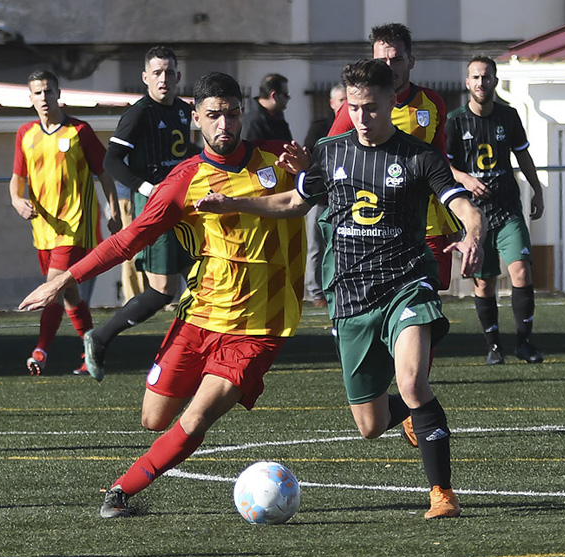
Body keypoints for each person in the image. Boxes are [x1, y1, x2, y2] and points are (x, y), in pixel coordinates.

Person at [197, 59, 484, 520]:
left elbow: (461, 203)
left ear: (392, 100)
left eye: (371, 108)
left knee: (412, 381)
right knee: (370, 425)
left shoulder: (419, 156)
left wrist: (473, 233)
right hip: (350, 298)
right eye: (353, 108)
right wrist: (234, 202)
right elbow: (293, 201)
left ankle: (442, 493)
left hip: (406, 286)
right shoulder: (329, 152)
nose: (362, 118)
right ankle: (412, 415)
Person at [19, 72, 305, 519]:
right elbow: (127, 240)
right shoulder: (184, 181)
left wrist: (309, 171)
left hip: (259, 326)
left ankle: (120, 491)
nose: (223, 124)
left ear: (242, 111)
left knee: (196, 417)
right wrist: (63, 279)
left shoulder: (278, 160)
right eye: (213, 116)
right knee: (153, 419)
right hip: (200, 315)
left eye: (231, 113)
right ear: (196, 119)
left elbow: (318, 192)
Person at [326, 22, 461, 446]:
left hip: (425, 230)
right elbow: (334, 161)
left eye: (395, 58)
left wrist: (461, 198)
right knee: (370, 420)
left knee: (420, 317)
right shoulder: (356, 111)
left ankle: (414, 397)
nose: (389, 64)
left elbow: (436, 159)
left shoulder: (431, 103)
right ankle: (405, 401)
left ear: (410, 60)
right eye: (382, 58)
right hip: (365, 243)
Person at [86, 46, 197, 382]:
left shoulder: (182, 110)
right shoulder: (138, 113)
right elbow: (111, 162)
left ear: (178, 77)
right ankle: (100, 338)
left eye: (169, 72)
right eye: (157, 72)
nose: (164, 78)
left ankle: (194, 356)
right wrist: (148, 189)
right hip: (156, 212)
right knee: (163, 291)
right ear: (145, 77)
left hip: (187, 209)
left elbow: (182, 152)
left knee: (204, 279)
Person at [10, 69, 119, 376]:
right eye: (38, 93)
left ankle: (40, 351)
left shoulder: (79, 131)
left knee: (53, 288)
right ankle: (92, 351)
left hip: (75, 226)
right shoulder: (25, 134)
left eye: (48, 91)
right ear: (30, 98)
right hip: (43, 229)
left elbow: (104, 172)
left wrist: (114, 212)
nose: (44, 98)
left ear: (59, 94)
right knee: (70, 294)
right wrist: (18, 201)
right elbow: (16, 180)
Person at [445, 55, 544, 366]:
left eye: (486, 77)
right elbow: (444, 165)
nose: (480, 82)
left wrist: (537, 188)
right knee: (485, 282)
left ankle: (525, 343)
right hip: (475, 216)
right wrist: (465, 179)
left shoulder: (509, 116)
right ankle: (494, 347)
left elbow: (523, 155)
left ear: (495, 81)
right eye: (475, 77)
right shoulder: (455, 121)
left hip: (507, 207)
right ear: (467, 82)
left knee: (521, 270)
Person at [301, 84, 346, 309]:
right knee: (316, 246)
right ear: (331, 103)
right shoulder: (321, 127)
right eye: (341, 100)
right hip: (321, 198)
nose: (345, 104)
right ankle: (316, 291)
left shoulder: (357, 126)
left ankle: (340, 288)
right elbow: (308, 157)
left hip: (345, 198)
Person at [241, 73, 293, 142]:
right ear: (274, 95)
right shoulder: (253, 123)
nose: (289, 98)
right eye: (285, 95)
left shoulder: (278, 119)